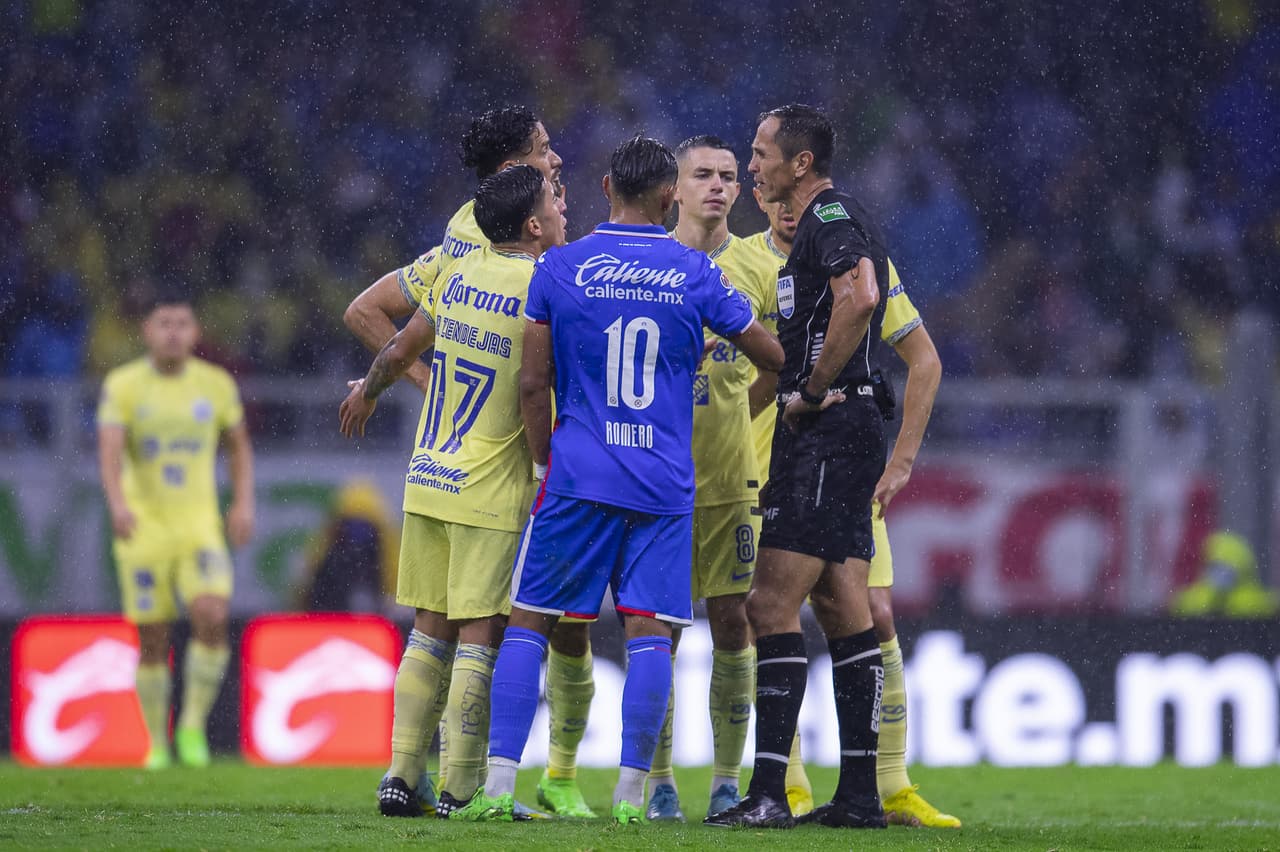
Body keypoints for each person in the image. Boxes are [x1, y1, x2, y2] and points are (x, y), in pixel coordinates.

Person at [452, 135, 783, 825]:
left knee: (530, 621)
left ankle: (497, 785)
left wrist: (547, 458)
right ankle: (635, 797)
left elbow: (534, 382)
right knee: (647, 631)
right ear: (670, 198)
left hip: (579, 469)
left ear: (606, 188)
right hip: (662, 481)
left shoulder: (560, 267)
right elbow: (770, 353)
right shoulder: (696, 273)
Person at [344, 107, 596, 819]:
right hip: (490, 481)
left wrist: (369, 391)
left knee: (429, 627)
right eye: (545, 166)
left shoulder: (456, 266)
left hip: (430, 470)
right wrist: (549, 460)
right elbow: (536, 383)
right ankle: (460, 786)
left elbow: (393, 345)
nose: (555, 176)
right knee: (481, 631)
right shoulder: (543, 286)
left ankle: (399, 775)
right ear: (531, 217)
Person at [750, 192, 960, 828]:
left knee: (863, 608)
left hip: (826, 455)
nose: (782, 202)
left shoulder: (857, 261)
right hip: (761, 464)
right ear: (756, 198)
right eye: (761, 185)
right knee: (758, 614)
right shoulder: (734, 264)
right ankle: (795, 787)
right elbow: (752, 370)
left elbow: (924, 358)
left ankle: (881, 787)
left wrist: (901, 462)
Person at [708, 104, 889, 830]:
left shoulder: (830, 218)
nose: (753, 166)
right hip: (840, 429)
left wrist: (812, 390)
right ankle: (860, 798)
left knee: (768, 606)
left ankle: (767, 795)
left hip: (829, 428)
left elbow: (862, 296)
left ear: (801, 163)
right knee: (845, 609)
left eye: (760, 153)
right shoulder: (818, 225)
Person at [645, 135, 780, 822]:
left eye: (729, 176)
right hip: (657, 479)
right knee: (662, 629)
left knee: (733, 621)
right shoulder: (647, 262)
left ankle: (727, 780)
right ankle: (660, 778)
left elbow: (781, 361)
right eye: (703, 175)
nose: (719, 187)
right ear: (675, 186)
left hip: (731, 477)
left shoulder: (756, 263)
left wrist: (734, 413)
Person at [96, 293, 255, 770]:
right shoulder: (124, 384)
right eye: (163, 322)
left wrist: (243, 502)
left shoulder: (215, 385)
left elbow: (239, 448)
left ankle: (190, 727)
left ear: (195, 332)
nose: (172, 332)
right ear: (146, 331)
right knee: (152, 637)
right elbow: (108, 449)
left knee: (211, 612)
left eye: (182, 323)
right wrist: (118, 505)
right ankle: (156, 744)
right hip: (144, 528)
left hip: (198, 526)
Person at [1170, 531, 1279, 618]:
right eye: (1213, 566)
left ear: (1241, 567)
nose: (1220, 572)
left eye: (1226, 566)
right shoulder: (1193, 599)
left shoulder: (1257, 602)